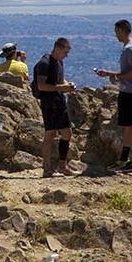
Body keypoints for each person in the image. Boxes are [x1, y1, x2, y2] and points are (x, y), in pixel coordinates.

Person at [95, 19, 132, 173]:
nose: (115, 35)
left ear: (122, 30)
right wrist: (111, 74)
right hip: (127, 90)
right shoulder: (129, 47)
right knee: (128, 125)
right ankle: (124, 159)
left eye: (117, 31)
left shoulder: (130, 48)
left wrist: (118, 76)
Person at [33, 38, 77, 178]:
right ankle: (47, 169)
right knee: (50, 134)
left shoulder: (59, 62)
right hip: (49, 102)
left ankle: (62, 165)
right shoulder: (44, 64)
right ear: (57, 49)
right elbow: (41, 86)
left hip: (59, 101)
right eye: (65, 52)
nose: (66, 55)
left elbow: (59, 80)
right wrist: (62, 87)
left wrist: (67, 85)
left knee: (67, 133)